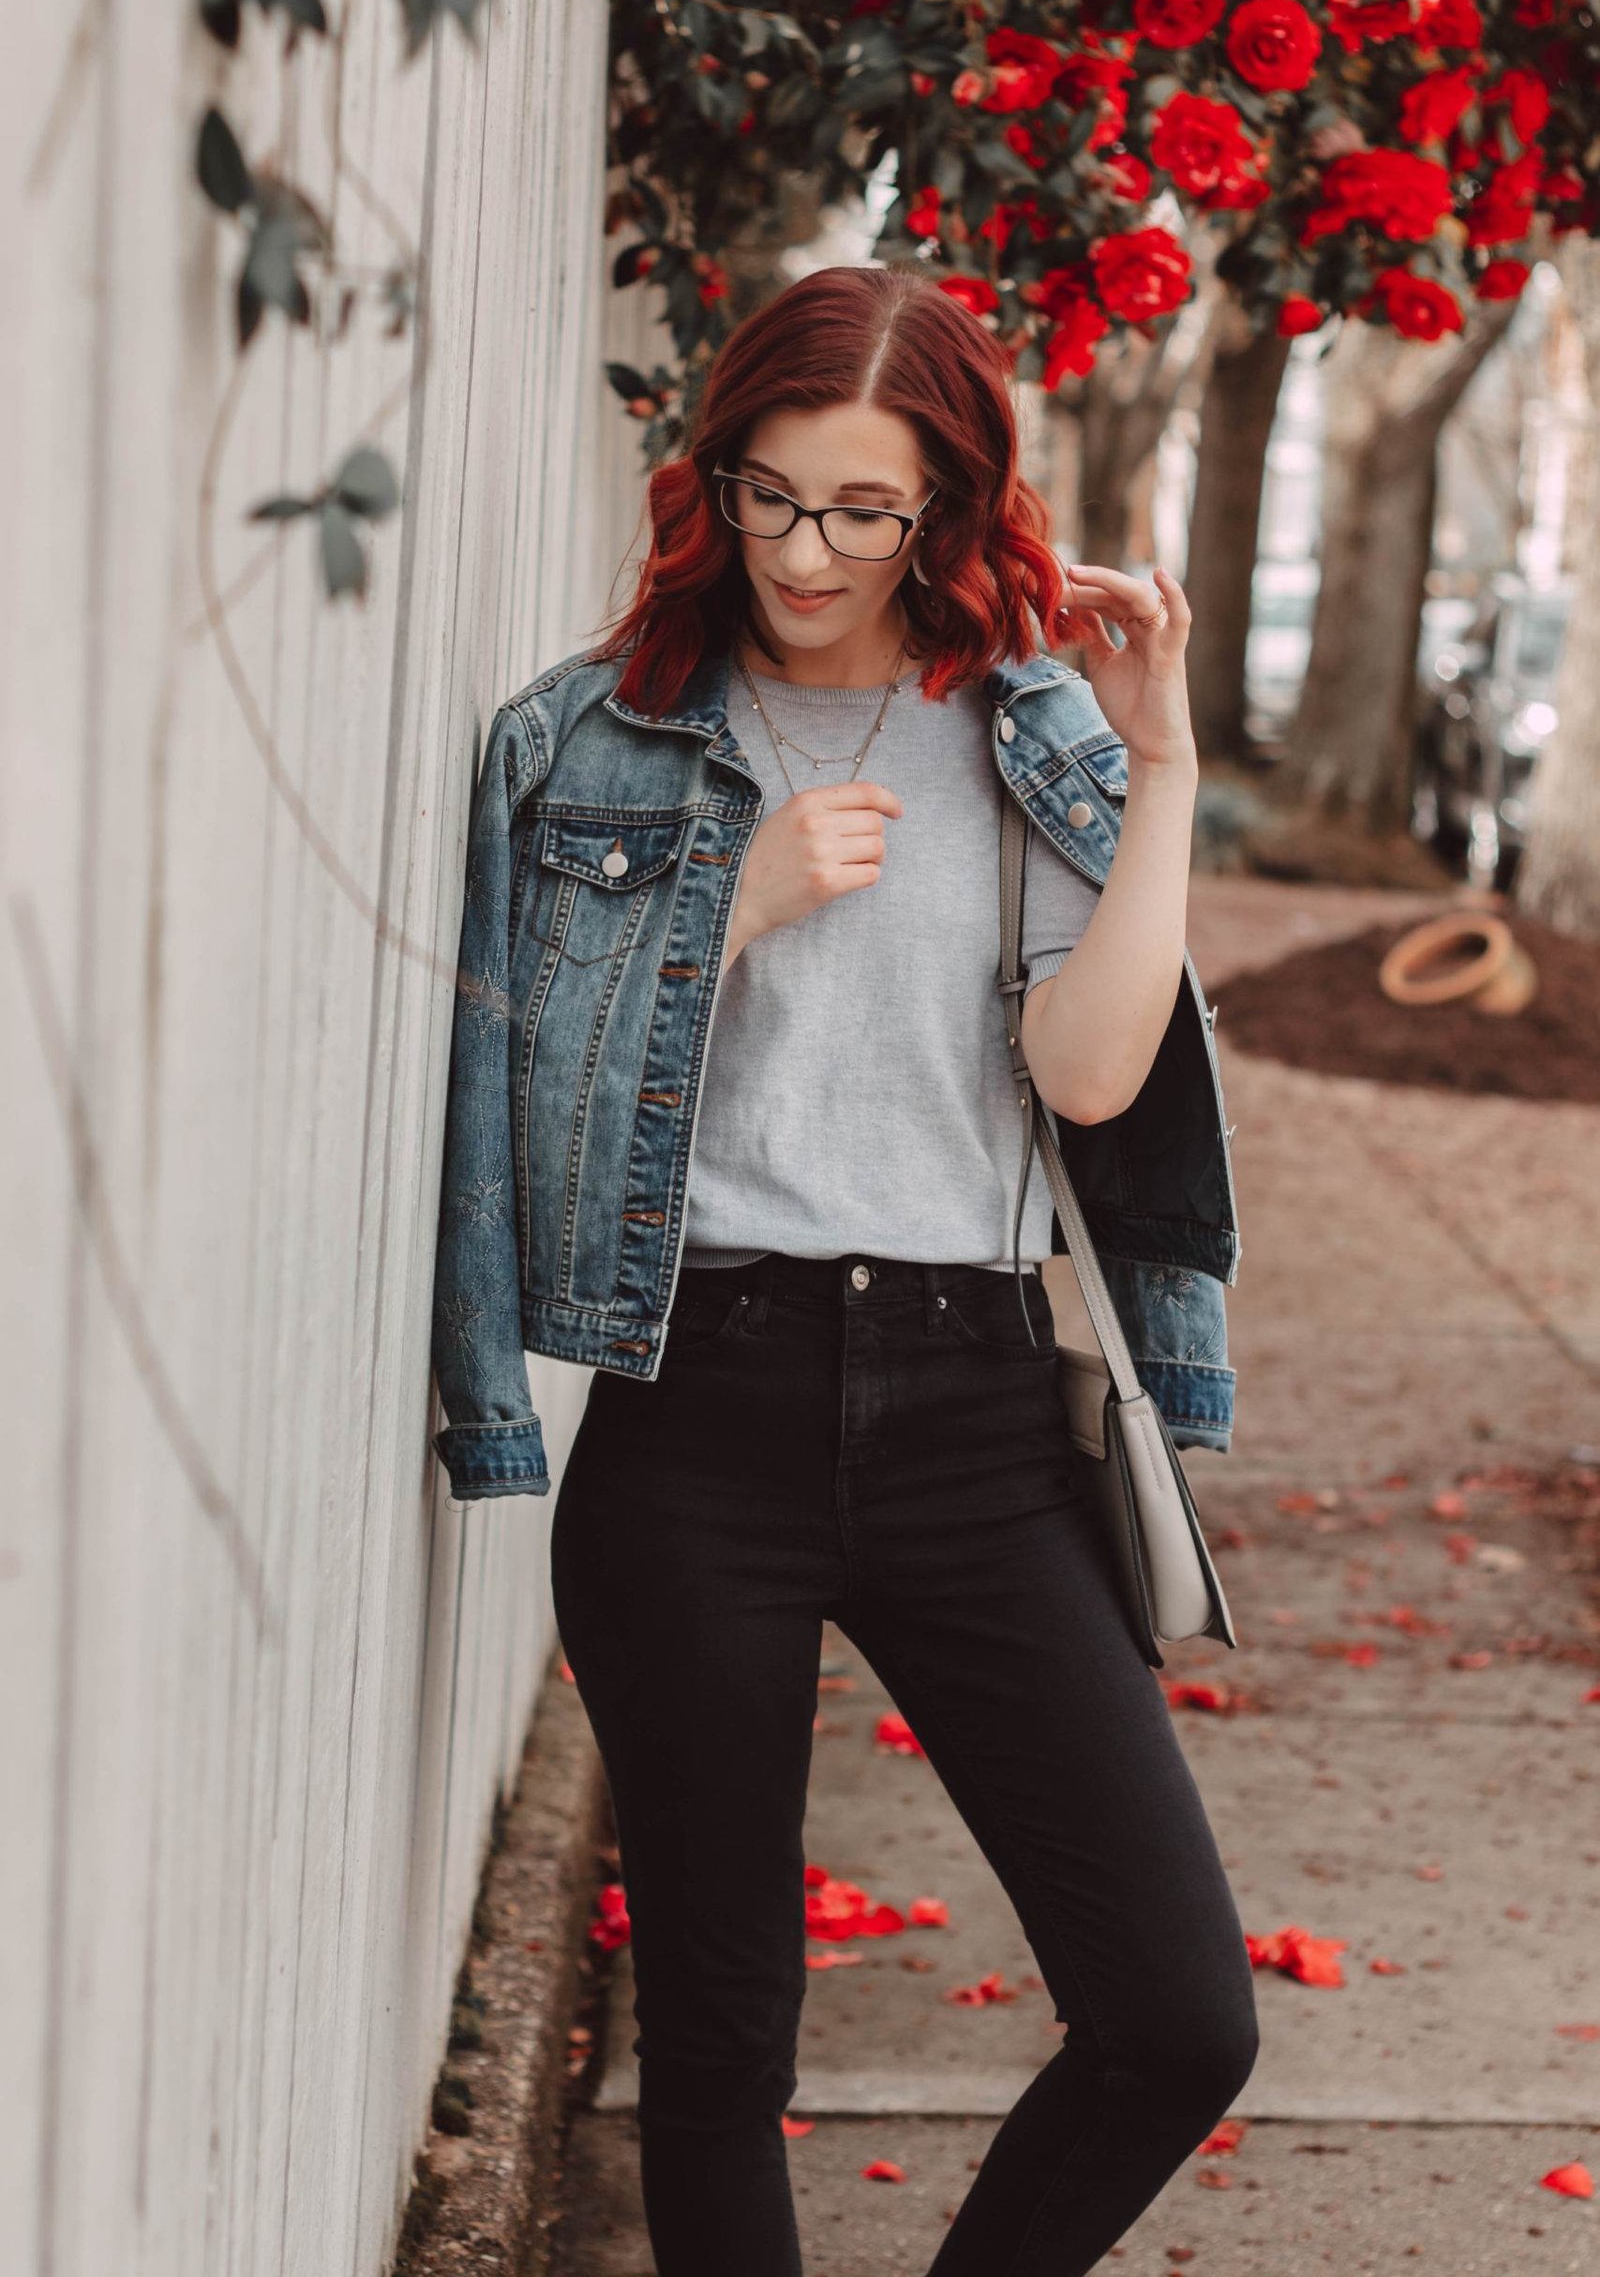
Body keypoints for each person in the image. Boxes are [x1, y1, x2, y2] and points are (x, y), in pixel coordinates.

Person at [430, 261, 1256, 2274]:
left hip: (974, 1418)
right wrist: (725, 910)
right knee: (718, 2042)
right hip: (694, 1413)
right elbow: (520, 1106)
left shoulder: (1024, 732)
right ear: (711, 476)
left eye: (861, 510)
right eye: (768, 496)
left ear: (947, 508)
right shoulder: (594, 742)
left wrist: (1155, 771)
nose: (805, 553)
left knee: (1173, 2017)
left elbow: (1082, 1067)